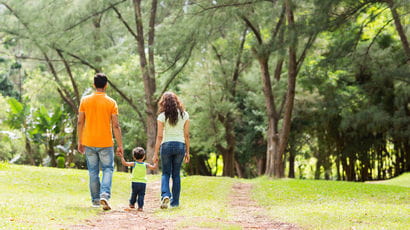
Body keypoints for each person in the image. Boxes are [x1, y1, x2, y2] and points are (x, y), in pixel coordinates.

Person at [77, 73, 123, 211]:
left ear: (94, 85)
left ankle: (96, 201)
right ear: (106, 85)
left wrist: (80, 140)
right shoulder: (111, 102)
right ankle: (104, 194)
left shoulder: (85, 101)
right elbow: (116, 125)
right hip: (106, 142)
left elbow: (80, 121)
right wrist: (120, 145)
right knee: (108, 169)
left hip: (89, 141)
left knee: (93, 172)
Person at [152, 92, 190, 209]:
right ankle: (175, 203)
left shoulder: (162, 116)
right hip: (180, 146)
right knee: (176, 175)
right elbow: (187, 135)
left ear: (164, 103)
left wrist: (155, 153)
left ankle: (165, 195)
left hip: (166, 146)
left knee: (166, 173)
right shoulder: (185, 115)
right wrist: (187, 152)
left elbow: (159, 136)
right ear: (176, 101)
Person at [118, 147, 157, 211]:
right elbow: (153, 167)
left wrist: (122, 157)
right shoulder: (145, 164)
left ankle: (132, 204)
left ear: (134, 157)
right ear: (144, 156)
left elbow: (125, 163)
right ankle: (140, 207)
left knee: (134, 193)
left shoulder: (134, 164)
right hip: (143, 183)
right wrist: (156, 162)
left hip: (135, 182)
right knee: (141, 195)